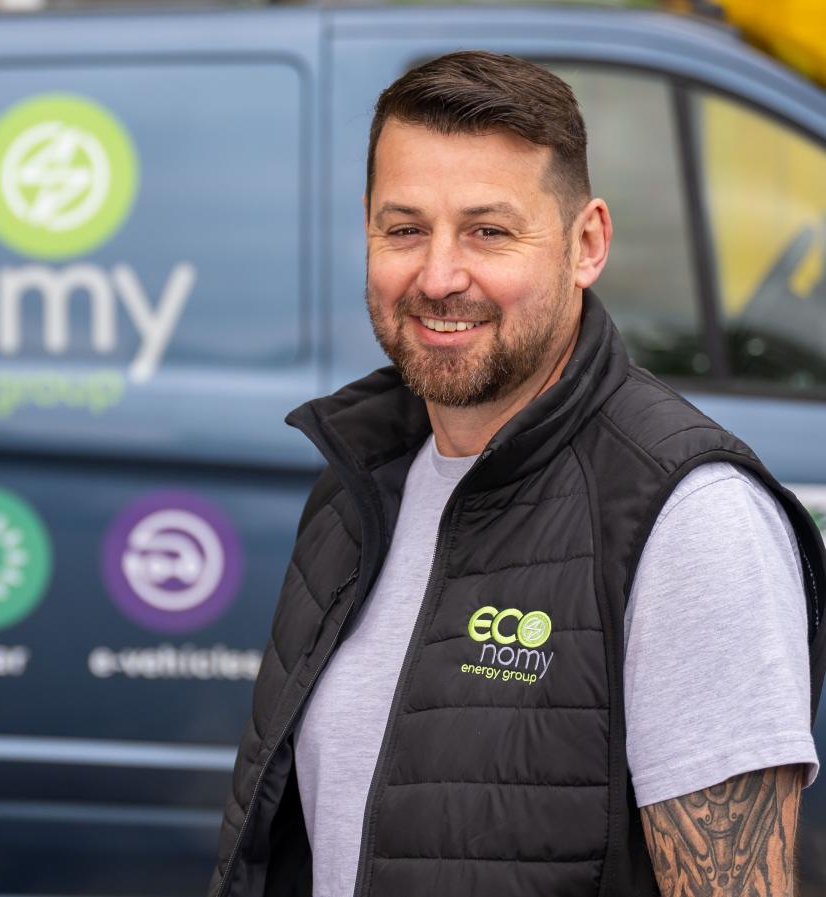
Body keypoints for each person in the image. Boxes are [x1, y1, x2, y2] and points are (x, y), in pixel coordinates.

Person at [209, 51, 826, 897]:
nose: (438, 275)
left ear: (587, 244)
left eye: (488, 231)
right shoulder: (356, 490)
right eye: (404, 228)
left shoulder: (688, 519)